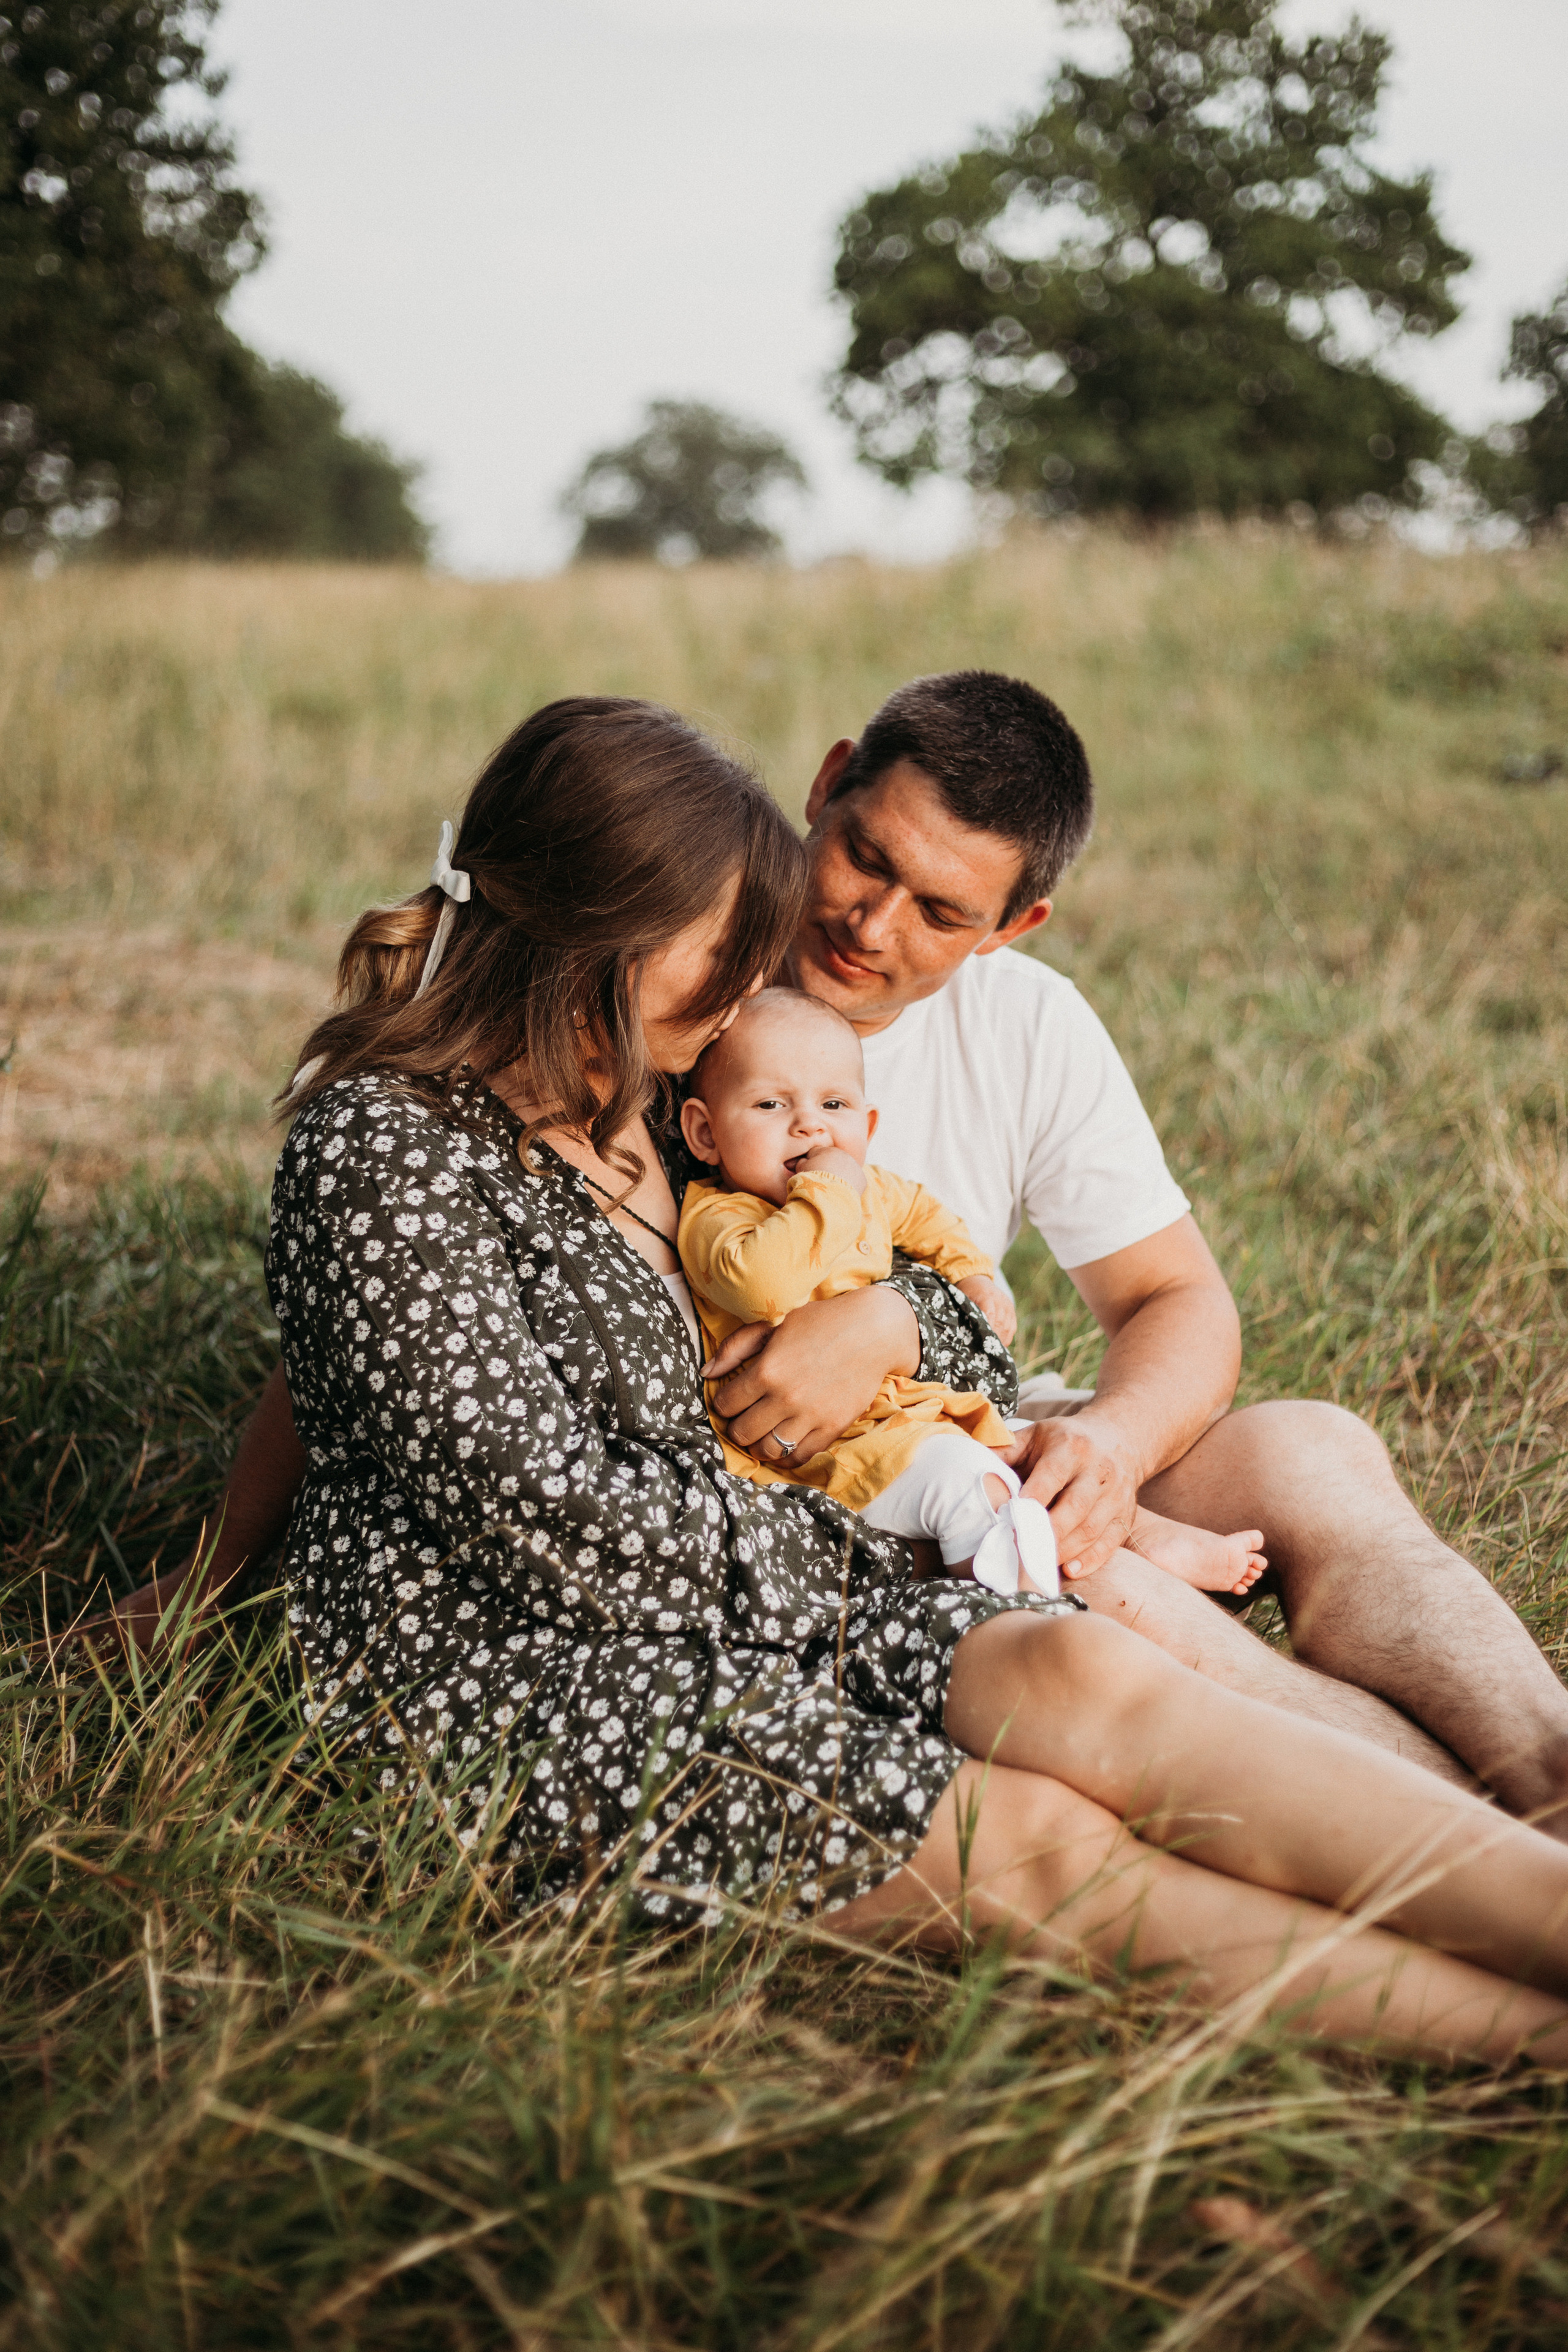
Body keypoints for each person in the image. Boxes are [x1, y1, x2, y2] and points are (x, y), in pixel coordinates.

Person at [234, 688, 1568, 2060]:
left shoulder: (653, 1094)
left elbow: (986, 1304)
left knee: (1094, 1669)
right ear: (603, 938)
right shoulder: (436, 1140)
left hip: (771, 1539)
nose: (817, 948)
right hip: (518, 1653)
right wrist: (215, 1573)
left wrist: (905, 1349)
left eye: (936, 909)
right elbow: (500, 1482)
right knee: (1046, 1837)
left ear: (1007, 927)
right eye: (849, 868)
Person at [676, 986, 1265, 1597]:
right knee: (974, 1488)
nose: (809, 1123)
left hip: (908, 1408)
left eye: (834, 1103)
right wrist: (827, 1187)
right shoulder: (720, 1217)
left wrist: (972, 1276)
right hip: (827, 1453)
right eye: (770, 1104)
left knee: (1031, 1458)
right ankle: (1034, 1610)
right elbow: (763, 1285)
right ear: (705, 1133)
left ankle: (1142, 1539)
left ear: (868, 1124)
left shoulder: (873, 1188)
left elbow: (928, 1219)